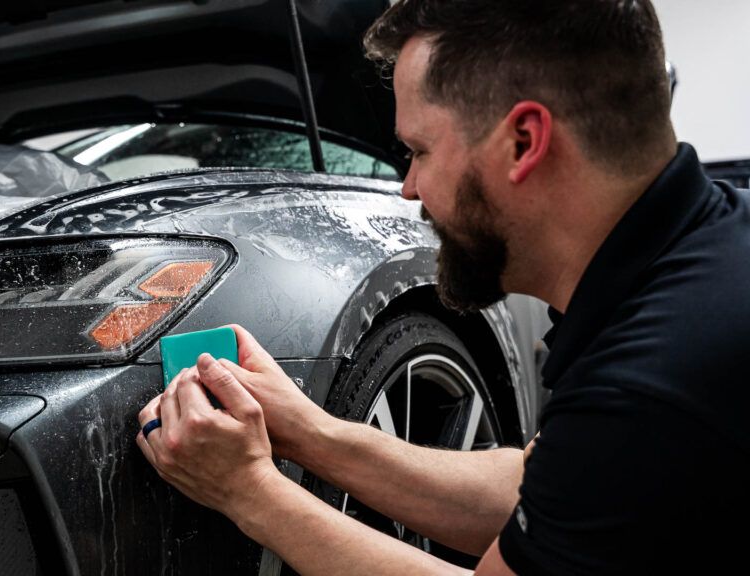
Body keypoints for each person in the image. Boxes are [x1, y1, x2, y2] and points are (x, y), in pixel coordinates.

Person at [136, 0, 750, 574]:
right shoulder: (703, 262)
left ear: (524, 141)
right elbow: (539, 490)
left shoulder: (651, 383)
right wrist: (310, 431)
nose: (408, 187)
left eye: (419, 150)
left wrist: (251, 494)